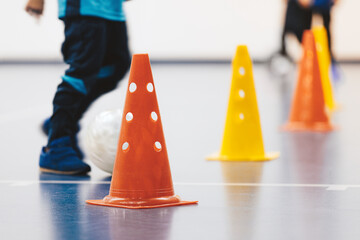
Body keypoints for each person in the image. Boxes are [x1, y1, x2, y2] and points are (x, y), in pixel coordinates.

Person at [25, 0, 131, 175]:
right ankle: (56, 147)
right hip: (84, 8)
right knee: (81, 72)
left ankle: (59, 123)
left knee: (115, 68)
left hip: (111, 8)